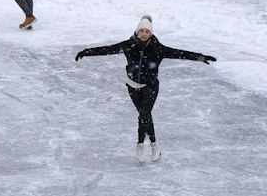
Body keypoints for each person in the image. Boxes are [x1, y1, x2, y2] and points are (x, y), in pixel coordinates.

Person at [74, 15, 216, 162]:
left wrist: (200, 57)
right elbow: (107, 49)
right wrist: (86, 52)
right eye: (141, 30)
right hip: (133, 86)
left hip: (150, 86)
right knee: (145, 116)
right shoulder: (128, 45)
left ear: (151, 33)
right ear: (137, 32)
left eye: (146, 31)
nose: (143, 33)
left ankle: (142, 144)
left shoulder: (158, 48)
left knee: (144, 114)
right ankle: (154, 145)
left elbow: (180, 53)